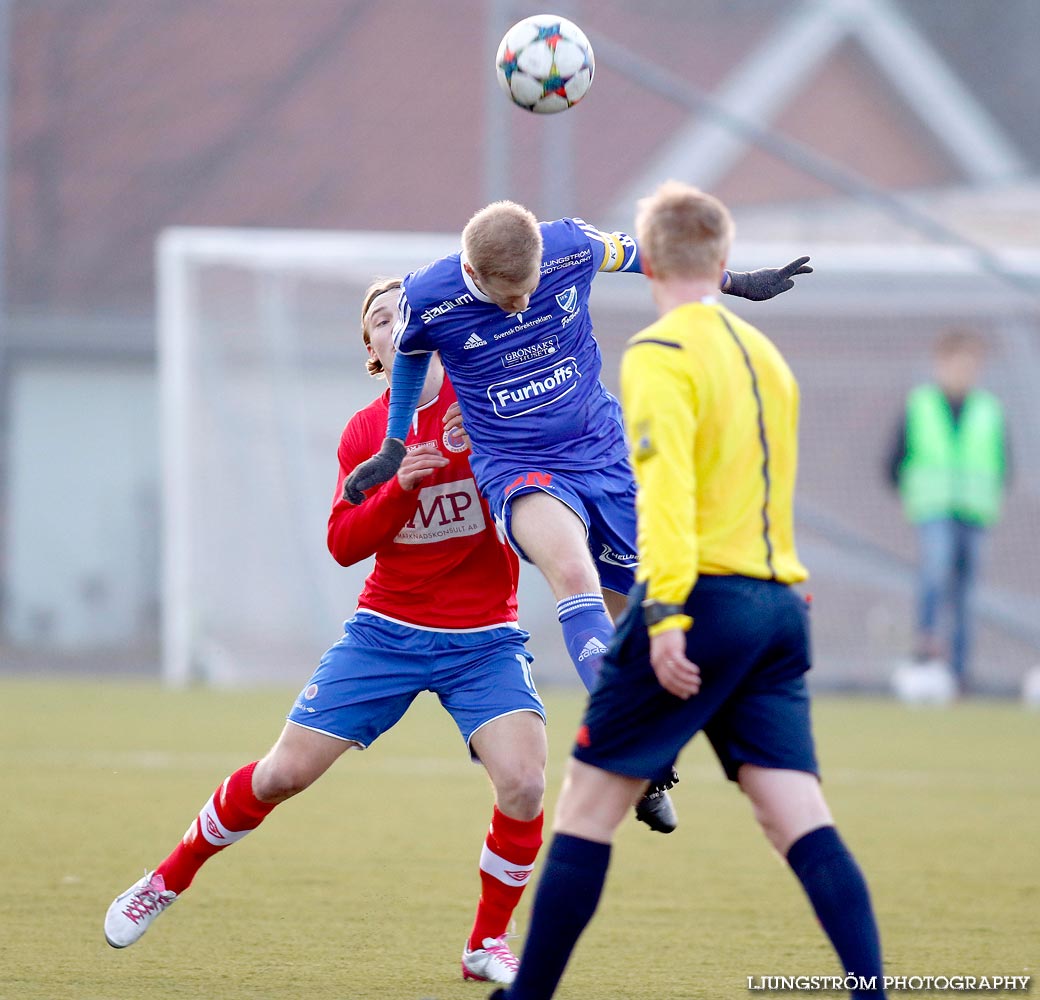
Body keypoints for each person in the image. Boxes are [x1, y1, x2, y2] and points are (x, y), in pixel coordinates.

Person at [490, 181, 887, 1000]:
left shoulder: (661, 354)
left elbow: (664, 497)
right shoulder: (767, 359)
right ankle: (870, 992)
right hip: (779, 607)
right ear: (722, 260)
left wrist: (664, 613)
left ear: (653, 256)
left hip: (701, 604)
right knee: (795, 816)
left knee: (587, 808)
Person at [104, 278, 549, 986]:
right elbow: (343, 544)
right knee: (282, 774)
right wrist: (400, 487)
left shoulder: (485, 404)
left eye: (405, 309)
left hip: (484, 639)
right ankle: (167, 877)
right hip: (386, 632)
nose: (395, 321)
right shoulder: (366, 433)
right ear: (373, 352)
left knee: (525, 783)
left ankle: (485, 943)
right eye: (378, 318)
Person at [343, 201, 812, 832]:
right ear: (473, 272)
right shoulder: (429, 295)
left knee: (646, 606)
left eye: (530, 288)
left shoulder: (570, 244)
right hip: (516, 464)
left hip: (600, 449)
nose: (520, 303)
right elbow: (407, 358)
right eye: (507, 295)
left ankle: (644, 756)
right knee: (570, 573)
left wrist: (733, 282)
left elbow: (649, 256)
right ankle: (629, 740)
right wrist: (395, 445)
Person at [886, 329, 1009, 695]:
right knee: (935, 575)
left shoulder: (989, 409)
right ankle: (925, 652)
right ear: (941, 365)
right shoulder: (920, 404)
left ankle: (959, 669)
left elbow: (1002, 461)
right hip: (934, 507)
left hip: (975, 510)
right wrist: (913, 493)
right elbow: (895, 458)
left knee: (967, 593)